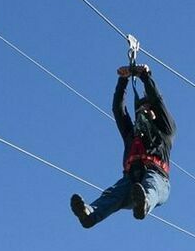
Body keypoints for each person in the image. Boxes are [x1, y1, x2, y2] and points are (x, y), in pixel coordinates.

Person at [70, 61, 175, 228]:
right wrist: (123, 80)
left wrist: (146, 77)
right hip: (131, 180)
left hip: (158, 177)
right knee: (113, 194)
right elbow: (118, 110)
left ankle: (144, 204)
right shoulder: (131, 135)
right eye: (141, 110)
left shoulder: (165, 130)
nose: (144, 112)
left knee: (151, 185)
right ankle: (89, 214)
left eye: (148, 109)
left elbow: (158, 100)